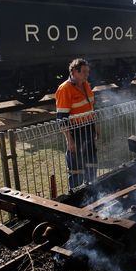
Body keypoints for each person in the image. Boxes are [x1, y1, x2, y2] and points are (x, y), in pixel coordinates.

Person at [56, 58, 98, 189]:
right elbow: (62, 118)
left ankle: (93, 189)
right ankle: (75, 193)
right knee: (76, 167)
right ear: (74, 71)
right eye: (84, 72)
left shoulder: (86, 85)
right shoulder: (65, 89)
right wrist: (69, 140)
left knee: (91, 162)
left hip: (88, 128)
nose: (87, 75)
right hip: (76, 132)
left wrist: (96, 128)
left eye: (88, 72)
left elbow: (91, 109)